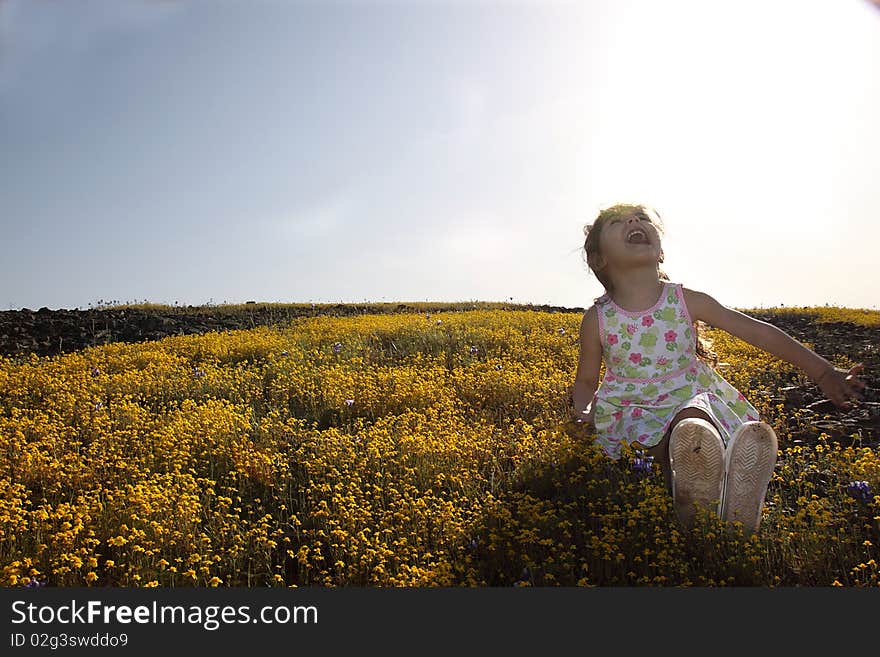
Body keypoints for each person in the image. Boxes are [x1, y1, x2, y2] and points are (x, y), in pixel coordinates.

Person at [570, 203, 866, 534]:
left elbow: (757, 332)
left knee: (692, 421)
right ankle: (705, 491)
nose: (634, 220)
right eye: (617, 221)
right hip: (632, 410)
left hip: (686, 397)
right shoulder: (597, 318)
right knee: (650, 449)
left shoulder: (687, 300)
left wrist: (823, 372)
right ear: (599, 259)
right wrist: (583, 412)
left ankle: (717, 482)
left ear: (661, 253)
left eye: (641, 218)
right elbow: (585, 380)